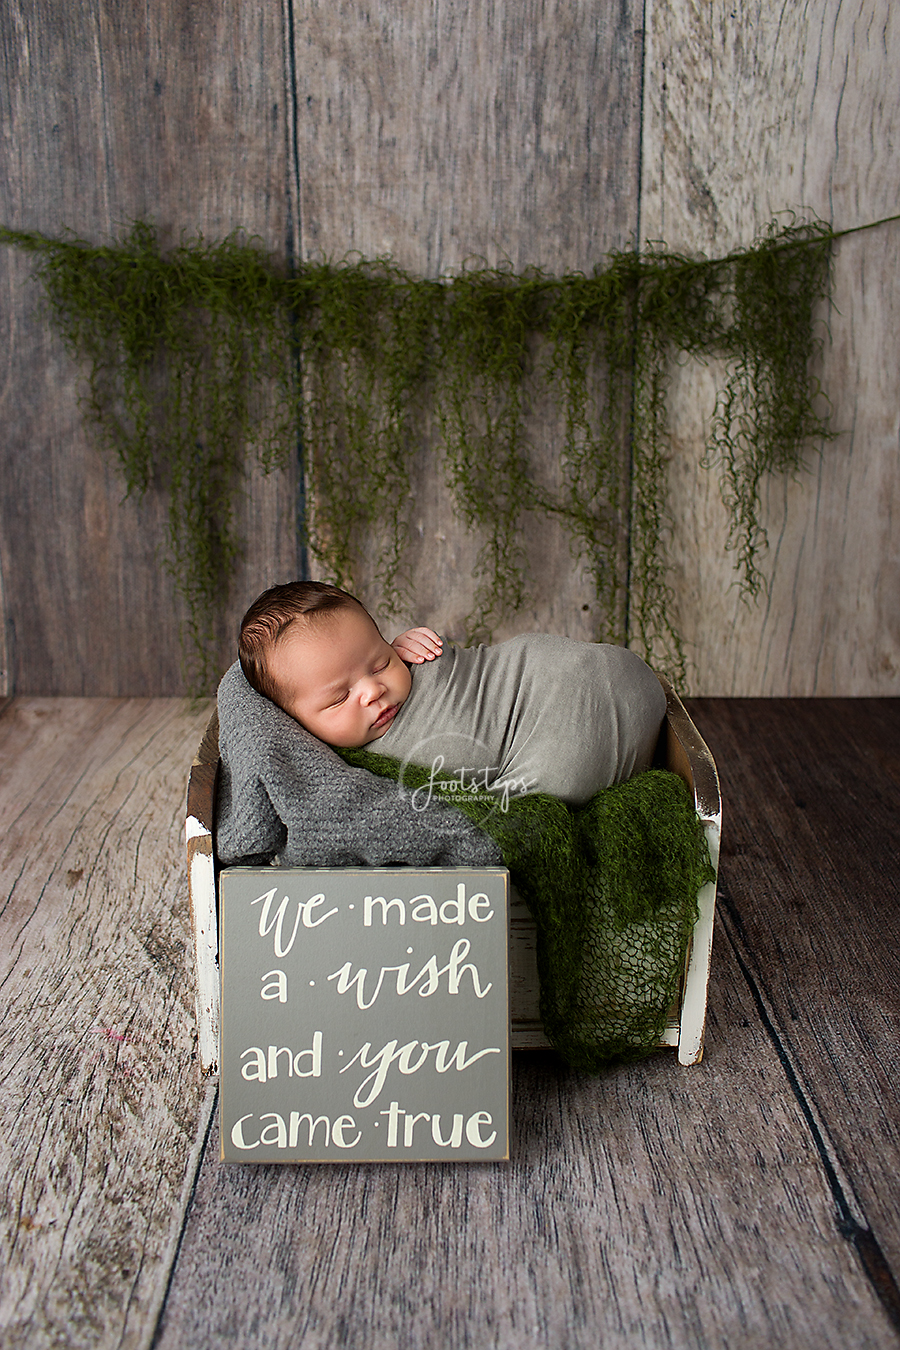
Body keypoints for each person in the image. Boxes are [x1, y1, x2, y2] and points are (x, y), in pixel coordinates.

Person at [238, 581, 667, 807]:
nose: (373, 690)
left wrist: (406, 652)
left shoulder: (414, 663)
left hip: (562, 682)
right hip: (599, 707)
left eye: (379, 662)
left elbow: (468, 677)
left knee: (542, 794)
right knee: (554, 782)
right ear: (292, 722)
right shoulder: (322, 761)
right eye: (338, 698)